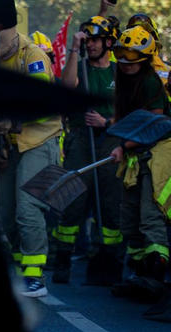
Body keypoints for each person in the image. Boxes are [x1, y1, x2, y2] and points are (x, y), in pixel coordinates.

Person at [0, 0, 63, 298]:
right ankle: (18, 269)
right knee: (7, 214)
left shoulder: (33, 56)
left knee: (28, 208)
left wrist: (10, 119)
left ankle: (35, 276)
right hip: (10, 146)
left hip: (39, 142)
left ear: (2, 27)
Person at [53, 16, 123, 285]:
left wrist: (107, 122)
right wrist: (74, 48)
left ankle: (106, 262)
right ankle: (62, 259)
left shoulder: (119, 71)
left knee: (109, 204)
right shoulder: (79, 66)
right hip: (81, 138)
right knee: (72, 200)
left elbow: (132, 110)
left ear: (108, 42)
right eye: (88, 40)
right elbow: (67, 86)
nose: (91, 45)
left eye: (95, 40)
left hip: (110, 139)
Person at [109, 25, 170, 300]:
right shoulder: (123, 78)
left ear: (144, 58)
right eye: (122, 54)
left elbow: (154, 124)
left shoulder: (150, 82)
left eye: (131, 56)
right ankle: (138, 275)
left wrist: (123, 145)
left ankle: (156, 282)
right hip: (135, 154)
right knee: (130, 217)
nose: (125, 62)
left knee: (150, 215)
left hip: (159, 153)